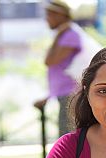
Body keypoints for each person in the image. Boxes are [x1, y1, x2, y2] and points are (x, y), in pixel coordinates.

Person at [34, 0, 82, 138]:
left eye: (50, 14)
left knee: (68, 139)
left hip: (71, 95)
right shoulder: (64, 35)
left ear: (60, 15)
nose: (47, 19)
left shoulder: (70, 35)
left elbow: (49, 61)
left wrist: (58, 36)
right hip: (65, 95)